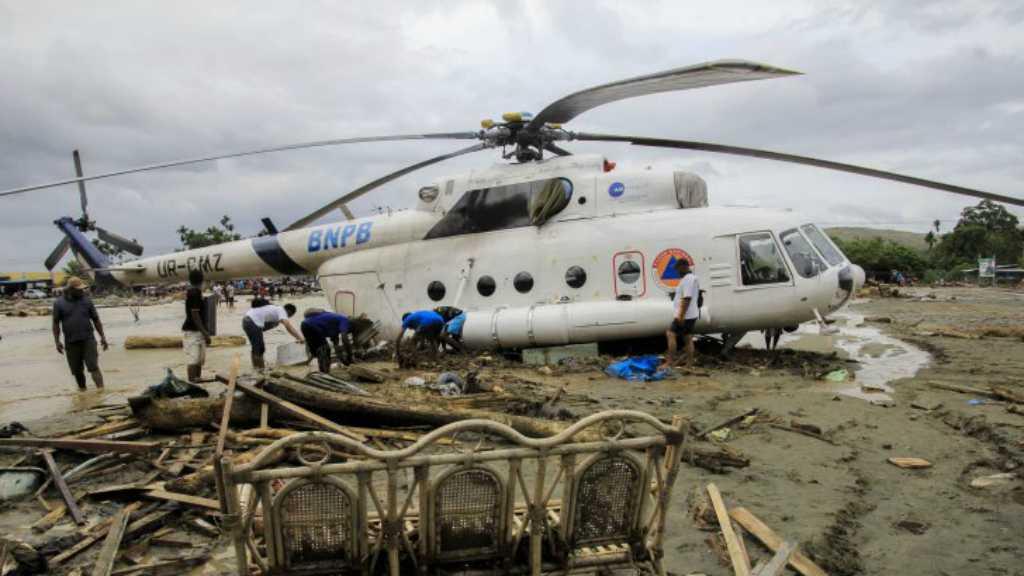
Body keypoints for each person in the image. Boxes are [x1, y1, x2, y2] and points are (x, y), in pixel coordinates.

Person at [52, 276, 108, 390]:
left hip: (88, 339)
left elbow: (96, 320)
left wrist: (103, 337)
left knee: (93, 366)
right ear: (71, 289)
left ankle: (101, 391)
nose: (82, 291)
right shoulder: (59, 303)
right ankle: (83, 393)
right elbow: (56, 323)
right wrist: (57, 341)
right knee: (77, 371)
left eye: (82, 289)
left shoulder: (87, 301)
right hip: (71, 342)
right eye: (79, 289)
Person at [242, 302, 303, 370]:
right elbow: (287, 325)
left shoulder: (275, 309)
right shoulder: (282, 310)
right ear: (289, 312)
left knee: (256, 348)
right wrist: (299, 337)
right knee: (260, 349)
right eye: (289, 316)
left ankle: (256, 368)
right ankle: (261, 370)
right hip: (252, 322)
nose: (288, 317)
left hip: (247, 321)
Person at [665, 258, 700, 367]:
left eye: (678, 268)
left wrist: (680, 316)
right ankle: (689, 363)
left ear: (684, 267)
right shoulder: (690, 278)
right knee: (688, 338)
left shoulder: (688, 279)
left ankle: (669, 362)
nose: (677, 271)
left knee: (670, 334)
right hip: (691, 314)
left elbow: (687, 298)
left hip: (686, 315)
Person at [182, 269, 212, 382]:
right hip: (192, 331)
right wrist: (206, 333)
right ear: (202, 279)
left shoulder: (195, 292)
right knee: (193, 360)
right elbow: (195, 314)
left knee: (199, 360)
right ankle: (193, 385)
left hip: (197, 331)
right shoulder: (194, 293)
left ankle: (197, 382)